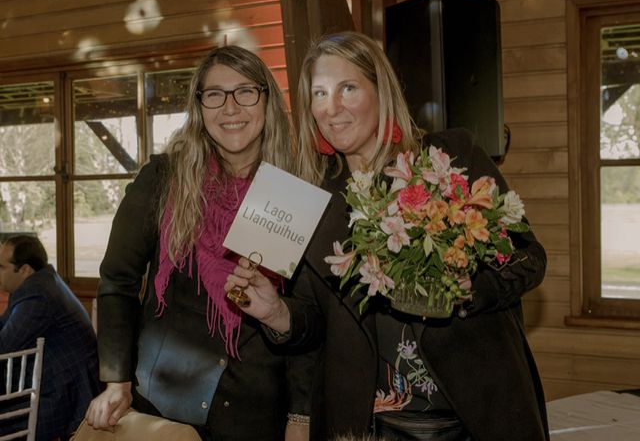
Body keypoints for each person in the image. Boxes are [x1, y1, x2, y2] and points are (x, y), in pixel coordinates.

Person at [225, 32, 549, 440]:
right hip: (368, 424)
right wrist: (275, 313)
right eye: (319, 93)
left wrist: (473, 287)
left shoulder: (450, 156)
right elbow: (313, 319)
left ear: (381, 90)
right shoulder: (304, 196)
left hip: (474, 415)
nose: (332, 108)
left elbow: (528, 257)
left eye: (348, 88)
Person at [84, 45, 312, 441]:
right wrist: (116, 380)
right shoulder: (163, 179)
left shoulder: (291, 192)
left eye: (245, 91)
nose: (230, 108)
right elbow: (118, 280)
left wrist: (301, 415)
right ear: (199, 106)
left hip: (255, 413)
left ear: (266, 100)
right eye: (215, 94)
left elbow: (307, 314)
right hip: (163, 409)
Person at [0, 234, 100, 440]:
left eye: (1, 267)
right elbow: (5, 327)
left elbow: (4, 346)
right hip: (55, 386)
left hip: (60, 399)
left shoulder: (38, 296)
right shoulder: (40, 282)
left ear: (25, 270)